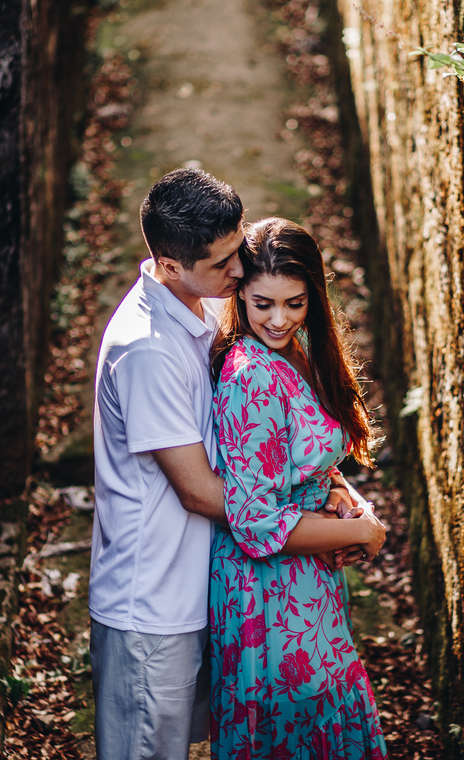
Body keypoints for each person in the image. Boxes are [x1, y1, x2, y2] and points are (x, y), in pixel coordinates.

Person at [90, 170, 375, 760]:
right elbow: (203, 492)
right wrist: (325, 527)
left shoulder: (197, 314)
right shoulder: (148, 348)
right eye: (225, 263)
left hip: (202, 581)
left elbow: (260, 449)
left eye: (236, 249)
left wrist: (326, 489)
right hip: (153, 599)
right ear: (169, 264)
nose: (240, 271)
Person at [208, 217, 388, 759]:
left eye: (296, 302)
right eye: (263, 304)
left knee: (319, 717)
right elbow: (256, 521)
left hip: (307, 578)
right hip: (266, 593)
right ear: (239, 292)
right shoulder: (250, 377)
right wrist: (361, 531)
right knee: (290, 725)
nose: (280, 319)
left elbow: (304, 462)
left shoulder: (298, 348)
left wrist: (341, 496)